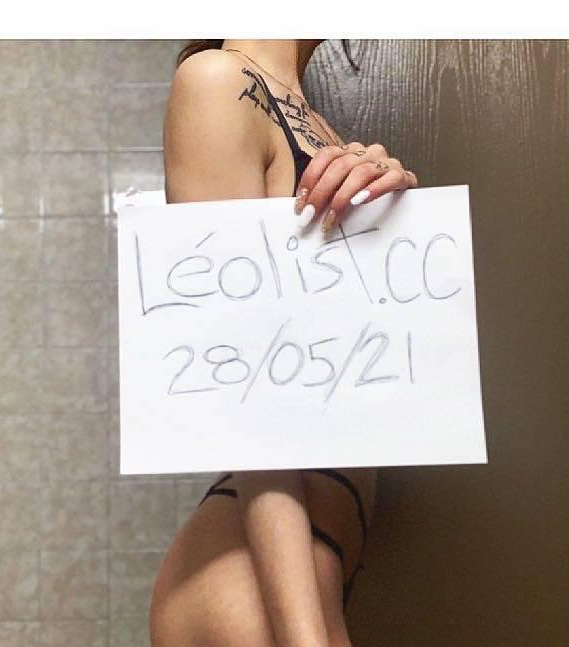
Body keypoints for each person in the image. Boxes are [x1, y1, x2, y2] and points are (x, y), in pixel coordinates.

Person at [149, 39, 419, 647]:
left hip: (312, 562)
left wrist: (395, 207)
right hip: (255, 580)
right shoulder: (217, 81)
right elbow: (247, 397)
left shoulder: (317, 124)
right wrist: (306, 636)